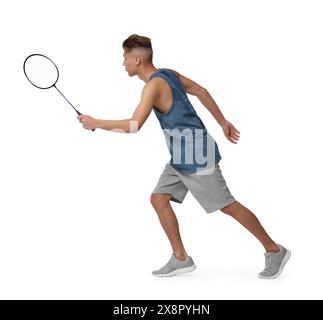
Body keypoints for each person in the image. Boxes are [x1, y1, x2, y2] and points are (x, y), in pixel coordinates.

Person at [77, 34, 291, 279]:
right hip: (180, 156)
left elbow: (134, 126)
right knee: (158, 198)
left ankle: (274, 250)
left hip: (197, 155)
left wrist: (96, 123)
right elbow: (201, 90)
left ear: (137, 59)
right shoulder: (169, 73)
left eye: (125, 58)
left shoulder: (152, 86)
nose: (123, 63)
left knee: (227, 205)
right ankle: (181, 257)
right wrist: (222, 122)